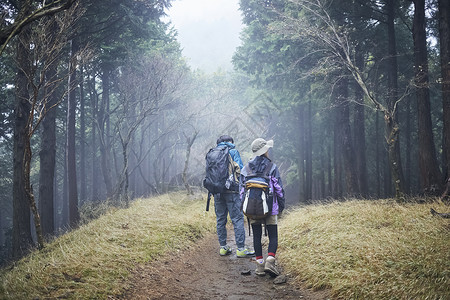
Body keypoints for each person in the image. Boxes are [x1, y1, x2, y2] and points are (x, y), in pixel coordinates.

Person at [240, 138, 285, 277]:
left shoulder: (246, 168)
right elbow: (278, 188)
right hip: (271, 207)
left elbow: (241, 191)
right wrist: (281, 205)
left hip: (253, 209)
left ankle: (259, 266)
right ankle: (270, 261)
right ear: (265, 150)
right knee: (273, 236)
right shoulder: (272, 167)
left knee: (257, 236)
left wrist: (244, 206)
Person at [213, 135, 255, 257]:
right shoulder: (233, 151)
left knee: (221, 219)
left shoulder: (213, 153)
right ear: (229, 142)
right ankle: (241, 249)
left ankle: (223, 248)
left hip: (217, 192)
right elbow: (241, 170)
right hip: (232, 191)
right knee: (237, 219)